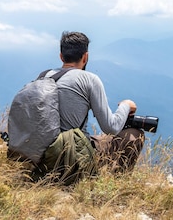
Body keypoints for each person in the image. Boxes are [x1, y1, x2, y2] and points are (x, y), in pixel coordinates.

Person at [36, 31, 145, 183]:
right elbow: (111, 127)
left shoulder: (44, 76)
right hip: (70, 156)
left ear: (61, 56)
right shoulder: (90, 79)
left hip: (41, 154)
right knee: (134, 134)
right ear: (85, 57)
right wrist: (126, 106)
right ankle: (117, 184)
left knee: (98, 139)